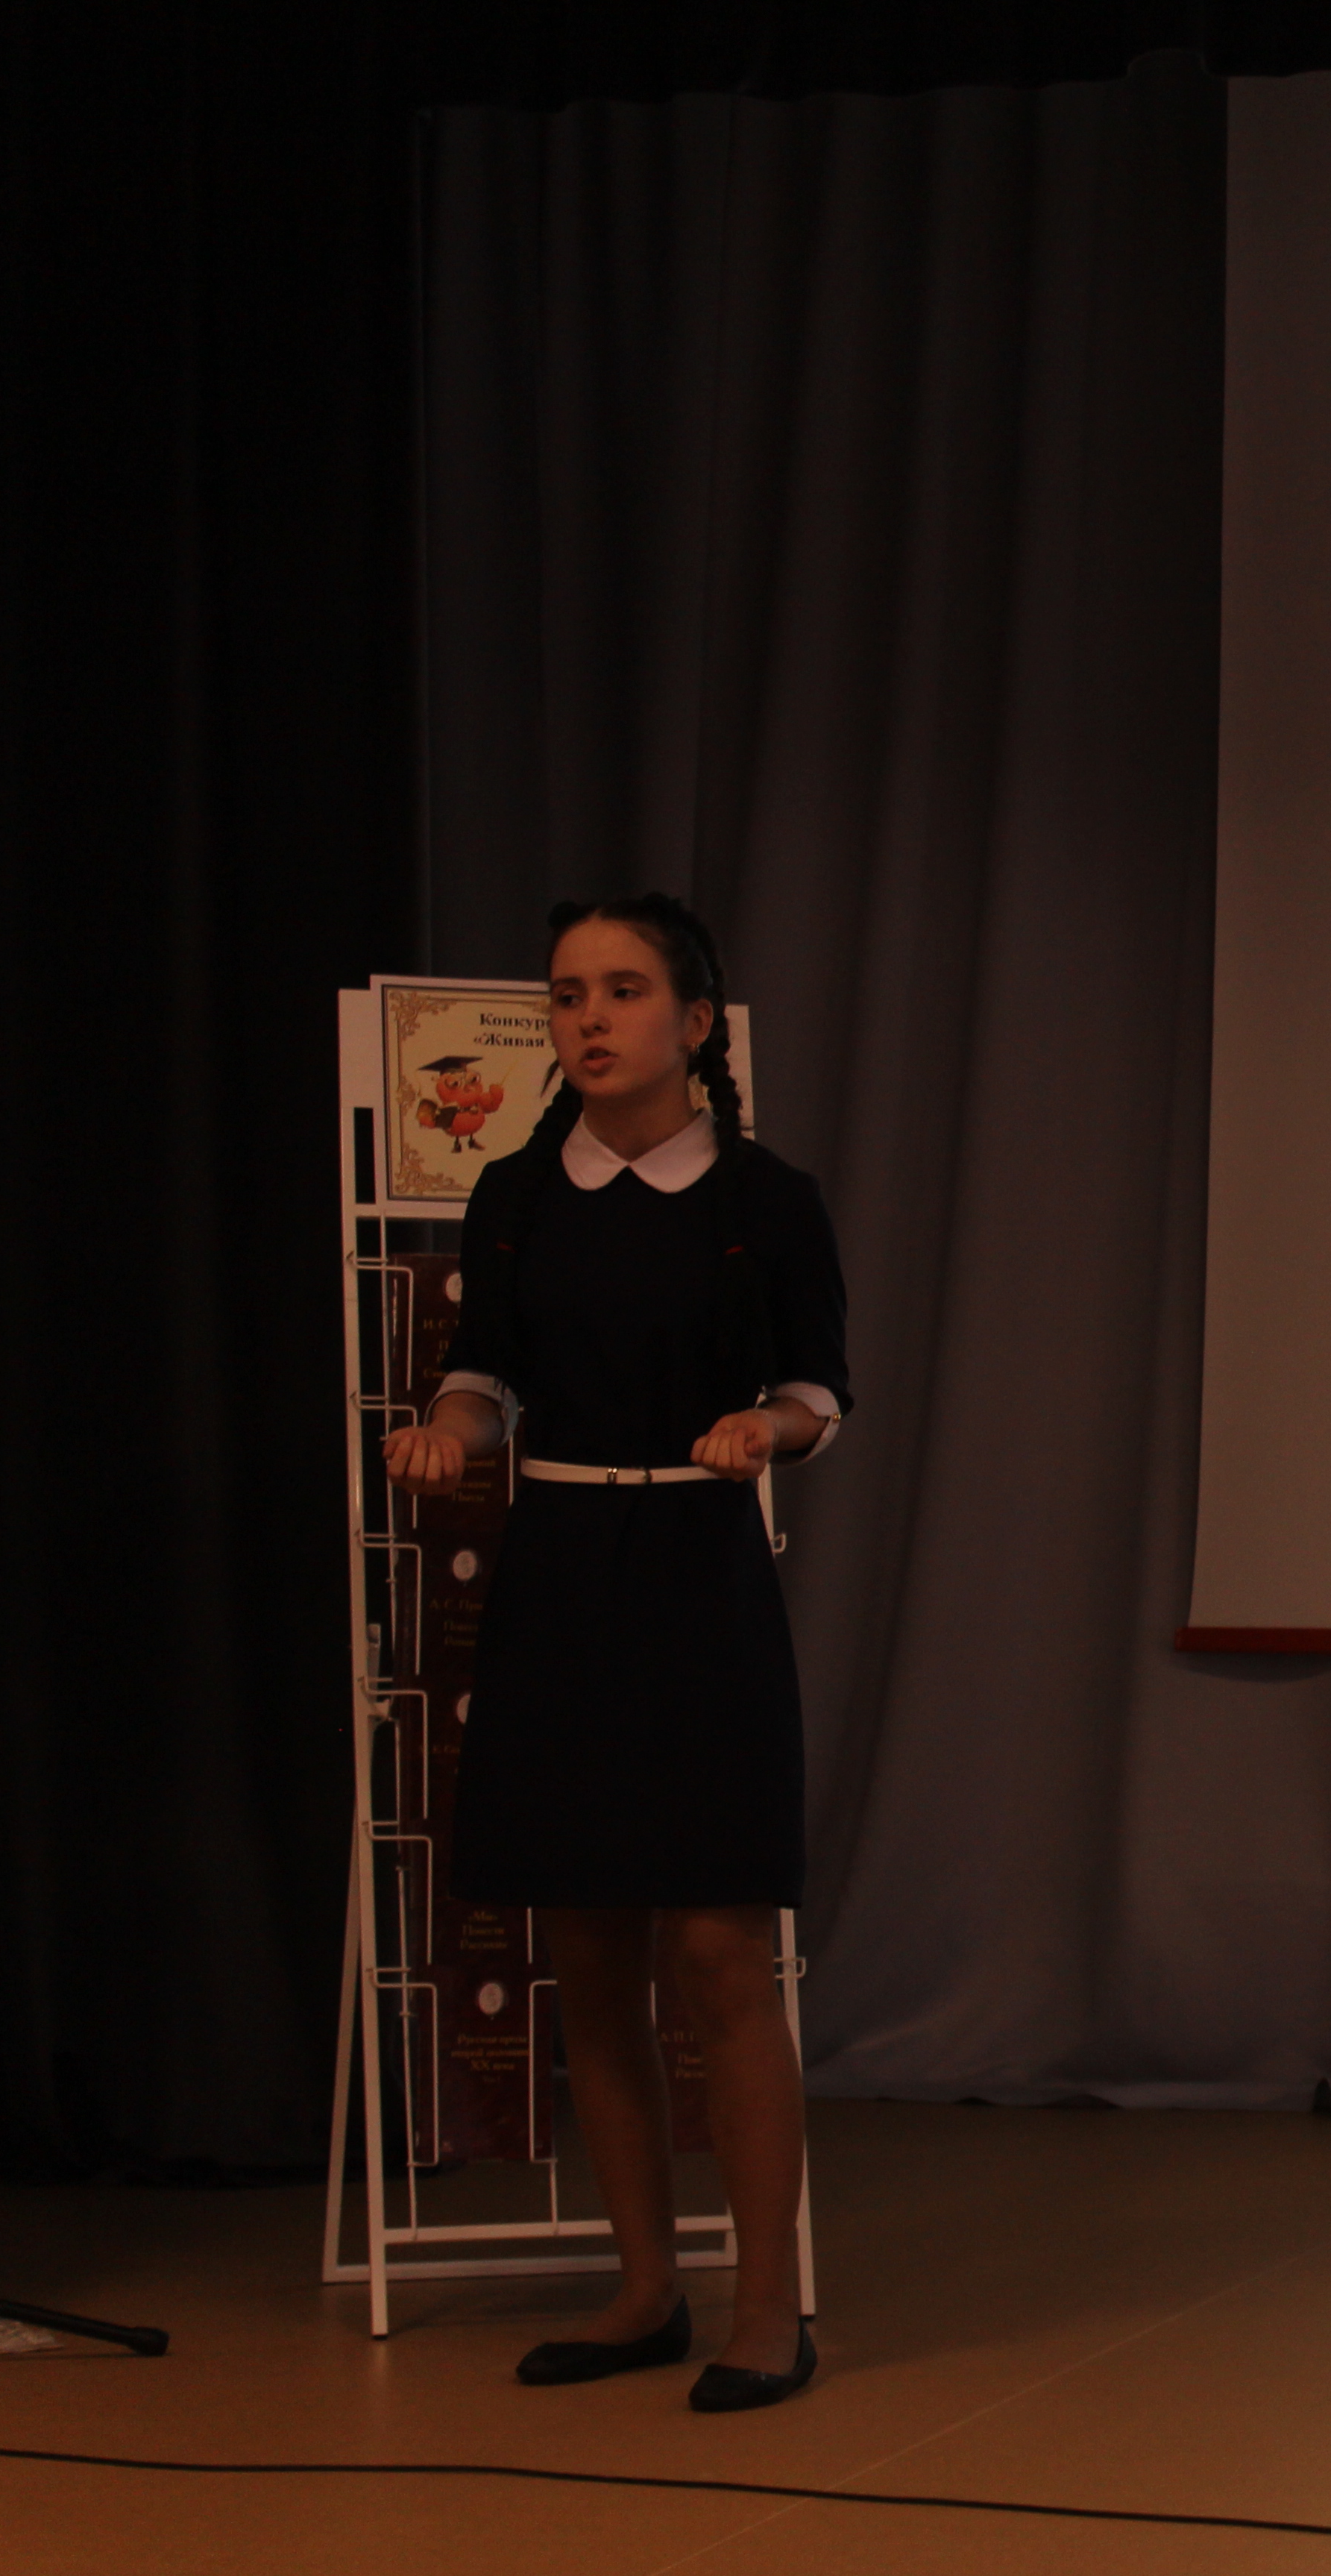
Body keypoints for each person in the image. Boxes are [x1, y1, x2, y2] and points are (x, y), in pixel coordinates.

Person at [381, 896, 849, 2413]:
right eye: (569, 994)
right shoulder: (517, 1192)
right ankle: (643, 2287)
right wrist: (448, 1432)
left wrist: (764, 1428)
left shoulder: (768, 1200)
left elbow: (819, 1390)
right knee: (586, 1950)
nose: (590, 1017)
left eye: (625, 990)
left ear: (695, 1024)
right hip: (562, 1573)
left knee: (716, 1951)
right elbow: (482, 1380)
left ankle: (767, 2308)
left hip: (701, 1573)